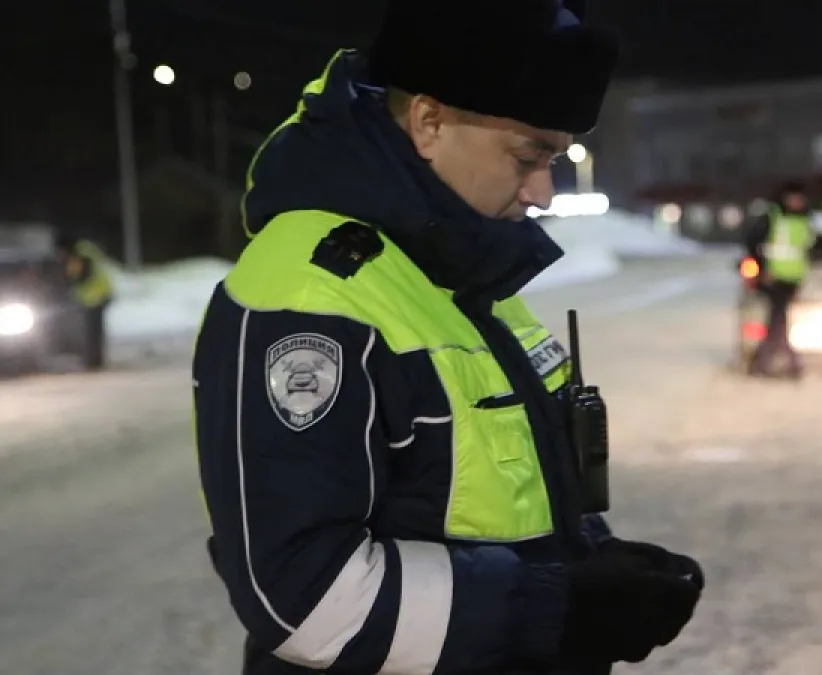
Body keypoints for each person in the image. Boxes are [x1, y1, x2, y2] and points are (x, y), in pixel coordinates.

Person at [191, 2, 705, 675]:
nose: (544, 192)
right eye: (530, 155)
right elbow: (305, 598)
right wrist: (557, 604)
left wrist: (593, 559)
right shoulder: (310, 296)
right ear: (430, 122)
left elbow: (492, 491)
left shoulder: (459, 266)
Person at [742, 182, 814, 378]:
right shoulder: (772, 218)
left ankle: (766, 361)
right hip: (774, 278)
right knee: (777, 320)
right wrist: (762, 269)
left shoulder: (805, 220)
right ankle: (779, 362)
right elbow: (753, 243)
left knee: (778, 320)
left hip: (793, 278)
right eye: (793, 197)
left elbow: (807, 248)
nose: (797, 202)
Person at [54, 232, 112, 369]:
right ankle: (95, 359)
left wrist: (70, 282)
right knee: (94, 330)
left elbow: (83, 274)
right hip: (97, 294)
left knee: (93, 330)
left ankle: (95, 361)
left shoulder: (81, 254)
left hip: (97, 295)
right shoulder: (84, 250)